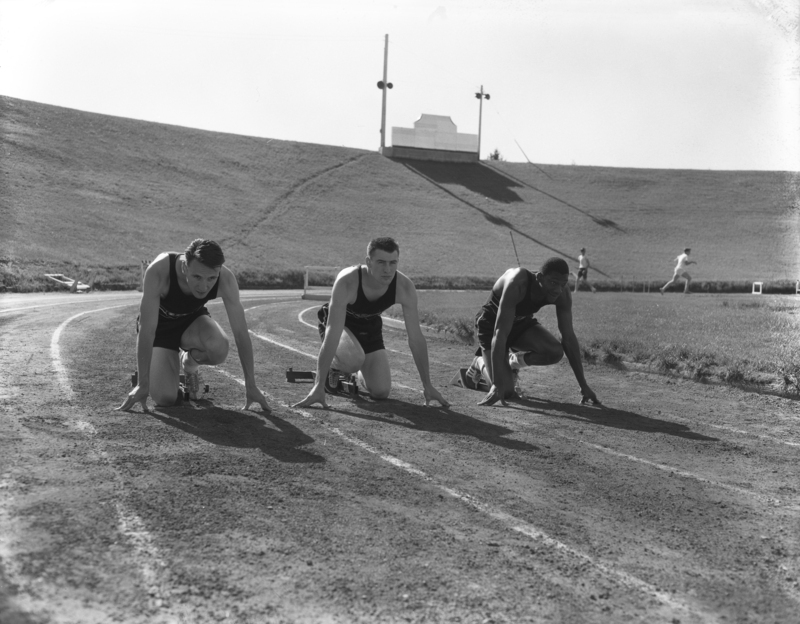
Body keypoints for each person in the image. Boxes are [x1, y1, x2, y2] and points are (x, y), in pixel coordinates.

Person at [293, 237, 449, 409]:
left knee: (381, 392)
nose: (387, 270)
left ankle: (360, 369)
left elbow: (416, 339)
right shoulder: (348, 282)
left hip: (369, 328)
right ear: (368, 261)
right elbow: (332, 332)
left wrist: (428, 386)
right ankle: (334, 368)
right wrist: (318, 384)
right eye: (381, 262)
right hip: (341, 324)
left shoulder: (404, 287)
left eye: (393, 263)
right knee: (354, 359)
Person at [117, 239, 269, 412]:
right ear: (184, 268)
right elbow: (147, 330)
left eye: (211, 278)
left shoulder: (225, 279)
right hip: (160, 328)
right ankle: (168, 375)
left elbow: (241, 333)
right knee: (165, 398)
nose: (204, 286)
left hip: (191, 323)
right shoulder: (159, 271)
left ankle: (189, 365)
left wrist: (251, 385)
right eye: (197, 277)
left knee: (219, 347)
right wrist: (142, 384)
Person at [465, 257, 599, 407]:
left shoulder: (562, 292)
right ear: (540, 277)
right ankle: (479, 362)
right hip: (492, 325)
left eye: (563, 283)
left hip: (520, 323)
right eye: (553, 282)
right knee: (507, 391)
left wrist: (583, 385)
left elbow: (568, 337)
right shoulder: (518, 283)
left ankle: (511, 362)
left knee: (554, 352)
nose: (558, 289)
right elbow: (500, 333)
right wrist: (497, 384)